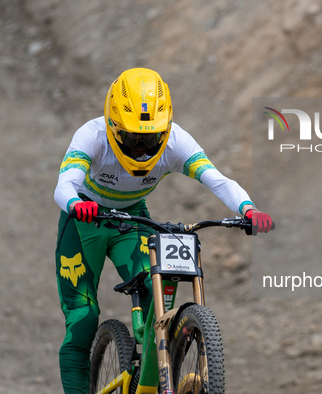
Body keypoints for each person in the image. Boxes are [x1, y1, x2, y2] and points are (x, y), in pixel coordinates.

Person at [54, 67, 273, 393]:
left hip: (131, 219)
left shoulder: (176, 142)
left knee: (159, 297)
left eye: (151, 138)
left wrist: (248, 208)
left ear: (166, 130)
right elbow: (65, 184)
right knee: (82, 319)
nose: (142, 148)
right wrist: (75, 203)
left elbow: (217, 179)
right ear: (113, 126)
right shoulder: (93, 136)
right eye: (132, 139)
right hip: (85, 221)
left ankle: (148, 382)